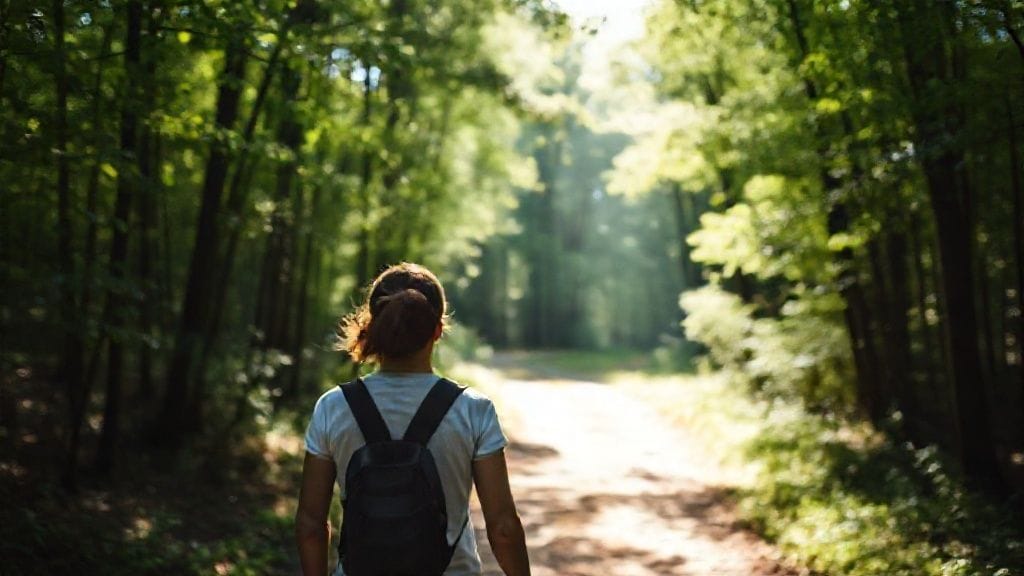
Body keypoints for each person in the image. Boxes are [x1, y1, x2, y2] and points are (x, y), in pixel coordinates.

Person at [295, 262, 531, 576]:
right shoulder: (473, 409)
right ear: (437, 331)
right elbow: (503, 527)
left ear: (372, 326)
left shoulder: (333, 407)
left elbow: (311, 525)